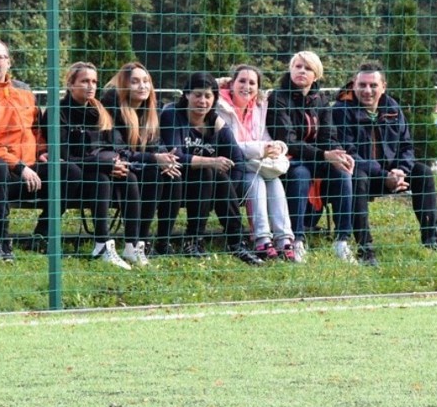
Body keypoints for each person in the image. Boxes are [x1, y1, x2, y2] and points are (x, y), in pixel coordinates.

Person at [0, 37, 82, 262]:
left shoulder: (24, 91)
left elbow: (36, 129)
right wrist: (20, 166)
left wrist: (43, 151)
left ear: (9, 62)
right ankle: (2, 240)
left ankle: (42, 234)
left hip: (26, 173)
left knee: (69, 171)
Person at [331, 61, 437, 257]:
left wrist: (401, 170)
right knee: (357, 177)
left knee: (423, 173)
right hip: (362, 175)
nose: (367, 90)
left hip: (394, 175)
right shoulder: (341, 110)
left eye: (373, 85)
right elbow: (348, 153)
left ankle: (433, 240)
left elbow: (407, 145)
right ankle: (365, 247)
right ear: (354, 85)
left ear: (383, 87)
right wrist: (383, 175)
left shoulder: (393, 108)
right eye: (362, 85)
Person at [45, 61, 150, 269]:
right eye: (84, 81)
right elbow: (63, 157)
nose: (91, 86)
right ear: (70, 83)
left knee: (130, 177)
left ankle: (132, 245)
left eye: (94, 81)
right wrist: (105, 165)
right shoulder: (57, 112)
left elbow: (116, 146)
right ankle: (102, 244)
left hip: (103, 167)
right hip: (75, 174)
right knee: (101, 178)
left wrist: (117, 162)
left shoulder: (100, 111)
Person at [159, 71, 264, 266]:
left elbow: (238, 159)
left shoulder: (216, 123)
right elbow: (176, 156)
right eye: (197, 95)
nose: (203, 101)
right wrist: (209, 161)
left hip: (210, 186)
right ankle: (193, 238)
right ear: (186, 94)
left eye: (208, 96)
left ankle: (236, 242)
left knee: (218, 176)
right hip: (176, 180)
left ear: (215, 98)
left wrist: (231, 188)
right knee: (209, 170)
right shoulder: (172, 114)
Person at [266, 51, 361, 264]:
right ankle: (297, 239)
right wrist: (324, 154)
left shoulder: (321, 100)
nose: (302, 71)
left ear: (316, 75)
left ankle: (342, 241)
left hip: (318, 158)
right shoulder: (278, 98)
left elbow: (329, 135)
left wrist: (339, 154)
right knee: (300, 173)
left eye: (308, 68)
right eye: (298, 66)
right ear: (290, 69)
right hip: (289, 158)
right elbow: (287, 139)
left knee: (342, 171)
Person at [215, 64, 301, 262]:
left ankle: (284, 239)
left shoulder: (260, 106)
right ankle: (262, 238)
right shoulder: (220, 107)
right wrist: (261, 149)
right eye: (242, 81)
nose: (247, 86)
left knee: (273, 180)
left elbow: (265, 136)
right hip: (231, 164)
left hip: (255, 163)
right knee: (257, 179)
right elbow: (231, 144)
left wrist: (277, 147)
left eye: (252, 82)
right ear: (232, 83)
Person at [101, 62, 182, 259]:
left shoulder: (152, 111)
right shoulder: (112, 108)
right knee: (154, 172)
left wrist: (166, 158)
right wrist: (155, 158)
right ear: (124, 85)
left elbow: (156, 145)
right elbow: (118, 150)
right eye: (135, 82)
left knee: (173, 176)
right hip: (118, 169)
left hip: (143, 165)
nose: (142, 86)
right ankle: (139, 242)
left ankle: (163, 241)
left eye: (146, 81)